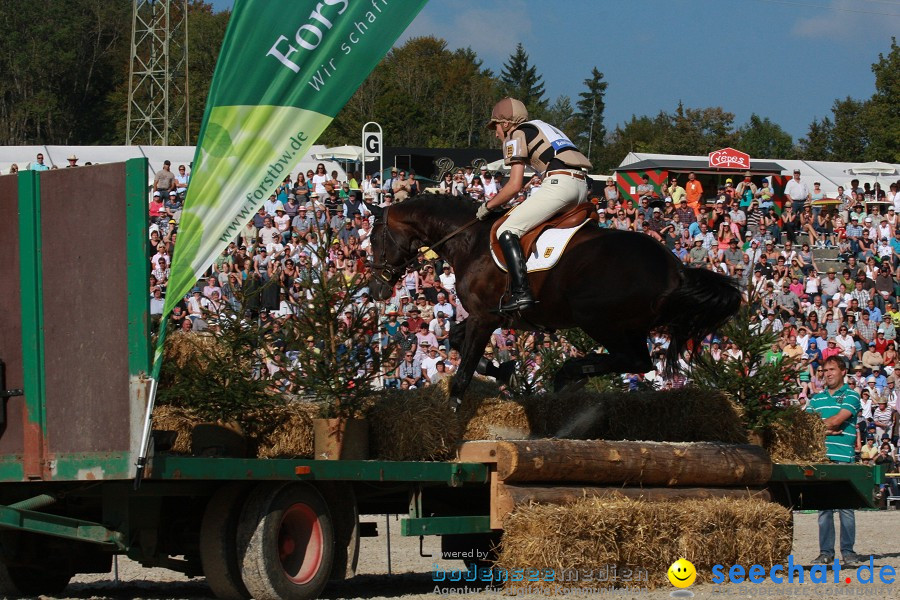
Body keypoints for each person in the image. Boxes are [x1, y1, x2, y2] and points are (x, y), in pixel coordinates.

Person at [476, 97, 591, 312]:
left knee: (507, 229)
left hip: (560, 184)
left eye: (496, 126)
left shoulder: (515, 134)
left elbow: (514, 185)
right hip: (582, 186)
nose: (496, 133)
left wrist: (488, 206)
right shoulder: (545, 127)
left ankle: (521, 293)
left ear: (507, 123)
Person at [806, 356, 863, 565]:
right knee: (824, 508)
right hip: (822, 457)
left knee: (846, 507)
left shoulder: (852, 396)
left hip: (843, 457)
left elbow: (838, 420)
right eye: (824, 370)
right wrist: (829, 429)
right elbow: (806, 426)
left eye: (831, 370)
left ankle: (848, 552)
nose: (827, 374)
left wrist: (823, 427)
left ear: (842, 372)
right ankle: (826, 553)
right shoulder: (817, 398)